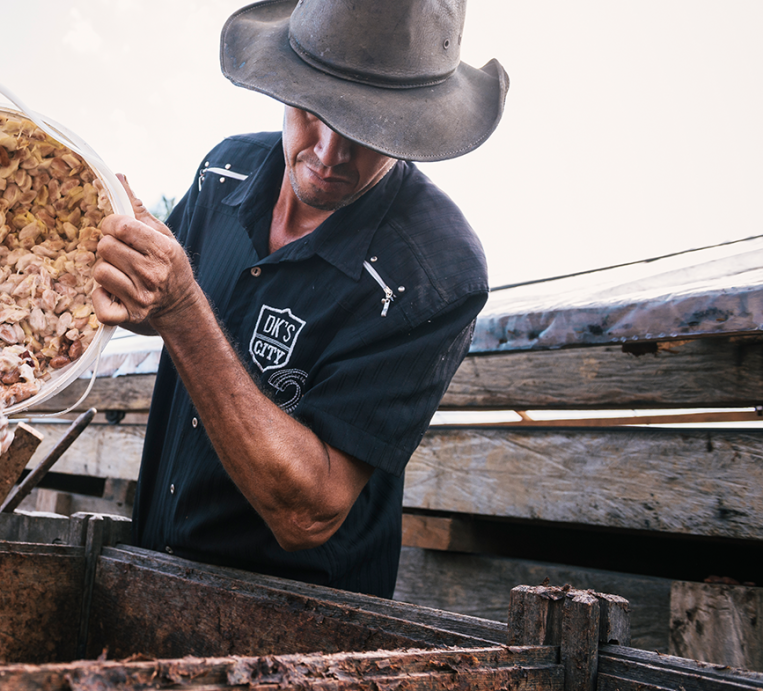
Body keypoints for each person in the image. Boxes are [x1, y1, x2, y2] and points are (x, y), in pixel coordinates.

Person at [88, 0, 509, 598]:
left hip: (295, 631)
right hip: (152, 566)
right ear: (285, 85)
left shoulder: (436, 273)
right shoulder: (225, 170)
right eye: (313, 109)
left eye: (368, 128)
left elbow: (309, 512)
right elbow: (153, 305)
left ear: (416, 124)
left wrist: (182, 307)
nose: (331, 152)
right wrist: (125, 258)